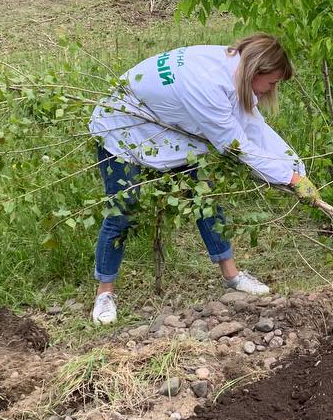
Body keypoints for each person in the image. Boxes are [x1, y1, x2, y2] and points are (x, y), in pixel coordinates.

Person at [87, 34, 317, 325]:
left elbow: (252, 125)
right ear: (256, 70)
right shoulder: (209, 85)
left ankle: (232, 276)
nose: (271, 90)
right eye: (272, 83)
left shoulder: (232, 63)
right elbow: (236, 146)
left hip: (172, 128)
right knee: (123, 209)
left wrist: (295, 169)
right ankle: (104, 293)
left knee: (204, 199)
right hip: (123, 130)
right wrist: (289, 178)